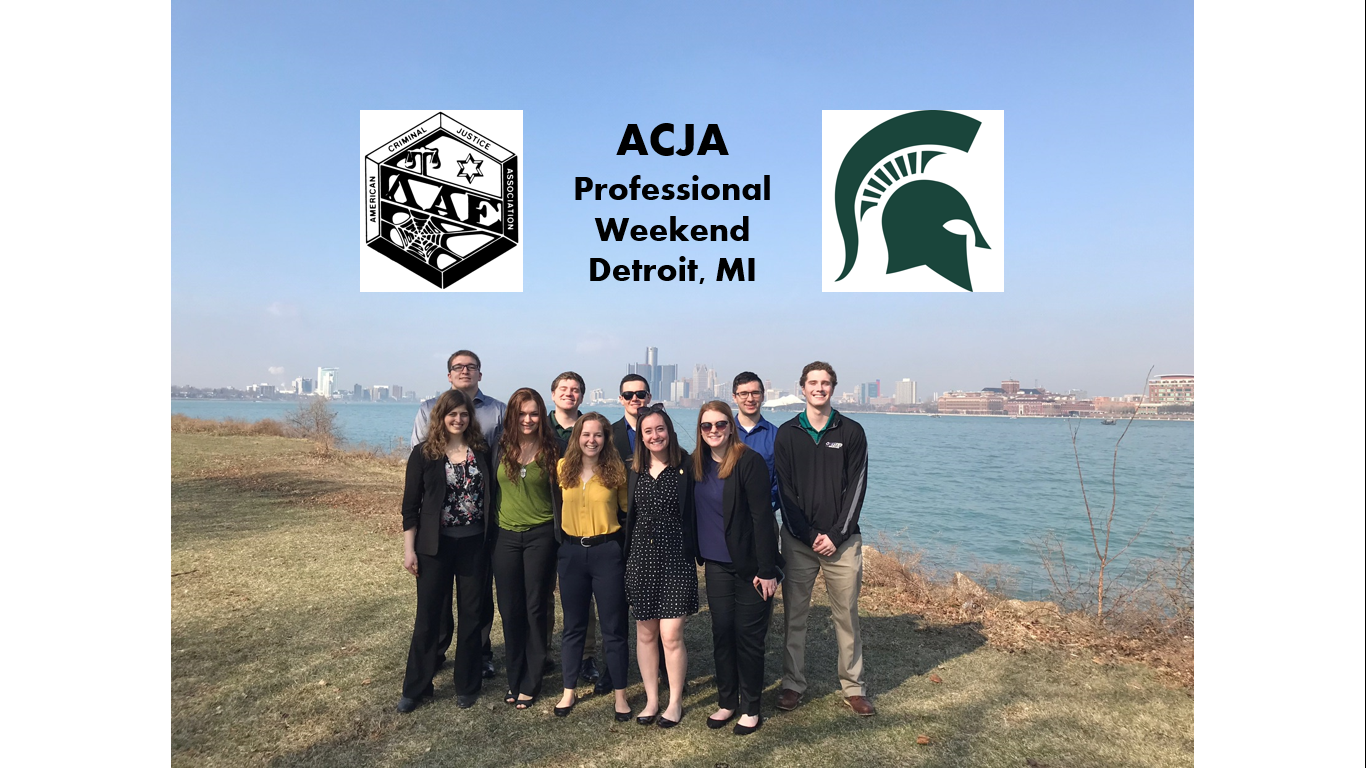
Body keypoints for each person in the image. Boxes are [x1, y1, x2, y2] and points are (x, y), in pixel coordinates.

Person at [773, 361, 874, 716]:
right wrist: (808, 534)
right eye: (813, 383)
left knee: (846, 615)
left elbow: (857, 488)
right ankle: (792, 683)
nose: (819, 388)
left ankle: (854, 686)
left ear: (833, 387)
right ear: (802, 387)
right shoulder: (786, 433)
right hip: (799, 543)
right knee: (794, 615)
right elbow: (785, 492)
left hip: (842, 543)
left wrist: (835, 535)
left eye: (825, 383)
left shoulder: (852, 431)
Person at [396, 389, 495, 713]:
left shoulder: (481, 450)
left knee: (471, 616)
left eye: (464, 414)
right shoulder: (424, 454)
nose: (458, 419)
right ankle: (416, 687)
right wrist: (410, 550)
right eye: (452, 414)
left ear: (471, 418)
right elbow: (410, 507)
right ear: (441, 416)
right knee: (429, 617)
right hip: (433, 547)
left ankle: (467, 684)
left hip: (473, 545)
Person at [410, 350, 505, 681]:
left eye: (471, 367)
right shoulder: (427, 411)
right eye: (458, 367)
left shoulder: (497, 410)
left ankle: (479, 657)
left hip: (478, 525)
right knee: (434, 605)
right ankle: (434, 655)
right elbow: (421, 470)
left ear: (481, 373)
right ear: (448, 375)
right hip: (438, 529)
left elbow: (506, 455)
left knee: (475, 603)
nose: (465, 371)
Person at [692, 401, 783, 735]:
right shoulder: (696, 464)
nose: (713, 431)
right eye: (706, 426)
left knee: (749, 637)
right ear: (700, 431)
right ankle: (727, 701)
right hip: (716, 565)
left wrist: (768, 568)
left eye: (720, 425)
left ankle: (750, 706)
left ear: (731, 426)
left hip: (751, 568)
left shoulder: (749, 462)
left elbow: (762, 517)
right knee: (722, 633)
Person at [552, 413, 633, 722]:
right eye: (586, 434)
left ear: (605, 438)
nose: (591, 440)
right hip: (571, 553)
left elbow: (627, 512)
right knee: (573, 625)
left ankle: (621, 695)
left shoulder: (616, 472)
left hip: (607, 552)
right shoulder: (563, 469)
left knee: (614, 627)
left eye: (598, 435)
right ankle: (569, 690)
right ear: (577, 437)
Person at [624, 404, 698, 728]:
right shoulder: (634, 470)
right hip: (641, 559)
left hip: (676, 559)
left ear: (669, 430)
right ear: (641, 436)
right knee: (645, 632)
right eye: (648, 431)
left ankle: (675, 701)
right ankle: (652, 700)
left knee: (671, 634)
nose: (655, 436)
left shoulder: (687, 468)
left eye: (660, 429)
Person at [491, 388, 561, 710]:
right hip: (504, 537)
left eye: (533, 413)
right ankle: (514, 677)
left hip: (541, 536)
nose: (528, 419)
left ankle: (532, 680)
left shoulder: (553, 450)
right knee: (510, 610)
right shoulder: (499, 446)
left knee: (535, 608)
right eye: (522, 413)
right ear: (512, 416)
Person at [546, 371, 603, 689]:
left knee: (586, 596)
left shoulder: (591, 427)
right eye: (563, 389)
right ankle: (542, 652)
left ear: (582, 396)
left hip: (584, 526)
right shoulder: (541, 428)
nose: (569, 394)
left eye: (576, 390)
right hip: (547, 518)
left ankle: (587, 655)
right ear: (553, 394)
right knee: (544, 591)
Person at [731, 372, 780, 512]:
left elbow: (782, 480)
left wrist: (765, 503)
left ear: (763, 396)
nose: (750, 399)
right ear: (735, 397)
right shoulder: (723, 433)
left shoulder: (776, 436)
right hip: (725, 517)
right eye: (744, 393)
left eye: (755, 393)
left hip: (763, 515)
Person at [611, 374, 651, 465]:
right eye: (628, 395)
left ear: (649, 397)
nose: (634, 399)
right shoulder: (609, 433)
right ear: (621, 399)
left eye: (640, 394)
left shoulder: (663, 433)